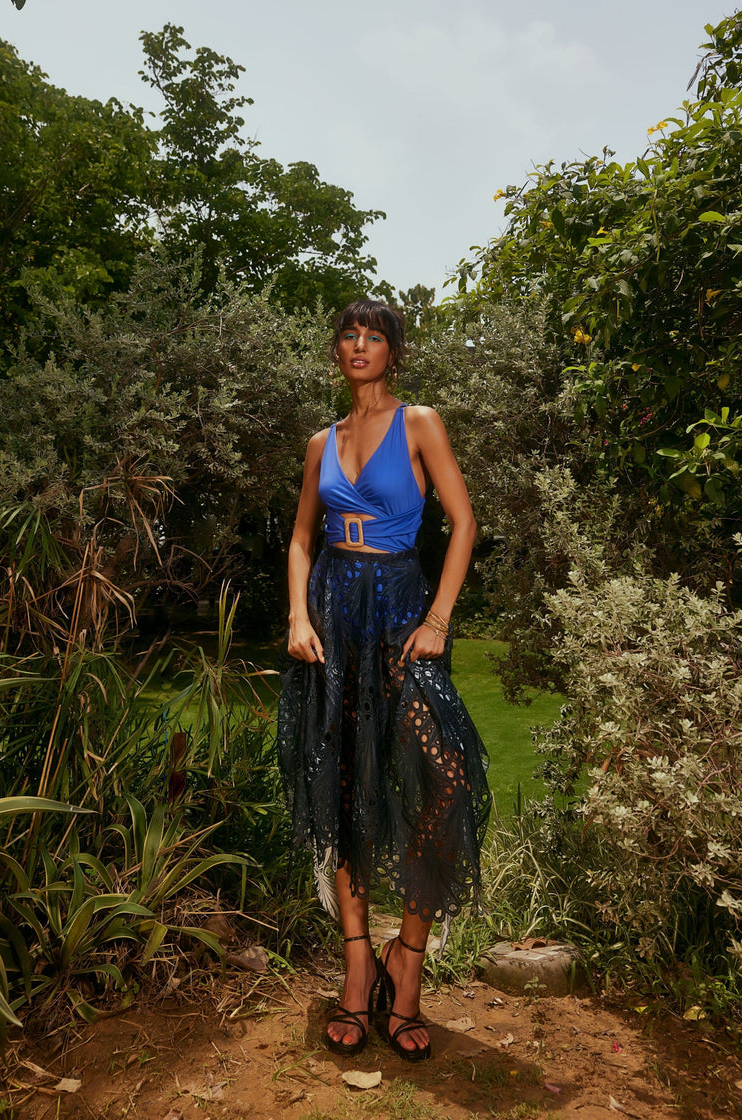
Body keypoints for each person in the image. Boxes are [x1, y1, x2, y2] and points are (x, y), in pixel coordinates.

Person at [277, 299, 490, 1063]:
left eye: (374, 337)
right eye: (349, 335)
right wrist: (298, 616)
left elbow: (463, 523)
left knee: (447, 777)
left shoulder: (420, 423)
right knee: (344, 789)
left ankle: (409, 959)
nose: (360, 345)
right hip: (334, 616)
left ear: (392, 353)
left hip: (401, 610)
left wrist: (438, 620)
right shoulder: (321, 443)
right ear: (336, 350)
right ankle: (359, 964)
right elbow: (301, 539)